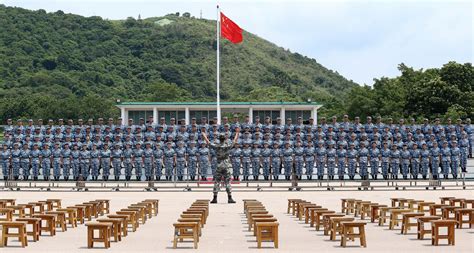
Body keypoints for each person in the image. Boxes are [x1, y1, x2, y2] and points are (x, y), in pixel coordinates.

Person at [201, 127, 240, 204]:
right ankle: (230, 198)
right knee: (228, 182)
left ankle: (215, 198)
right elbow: (234, 141)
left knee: (217, 182)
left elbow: (208, 142)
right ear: (225, 139)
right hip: (226, 165)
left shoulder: (217, 146)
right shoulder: (227, 145)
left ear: (219, 139)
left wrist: (204, 134)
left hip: (219, 165)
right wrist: (237, 133)